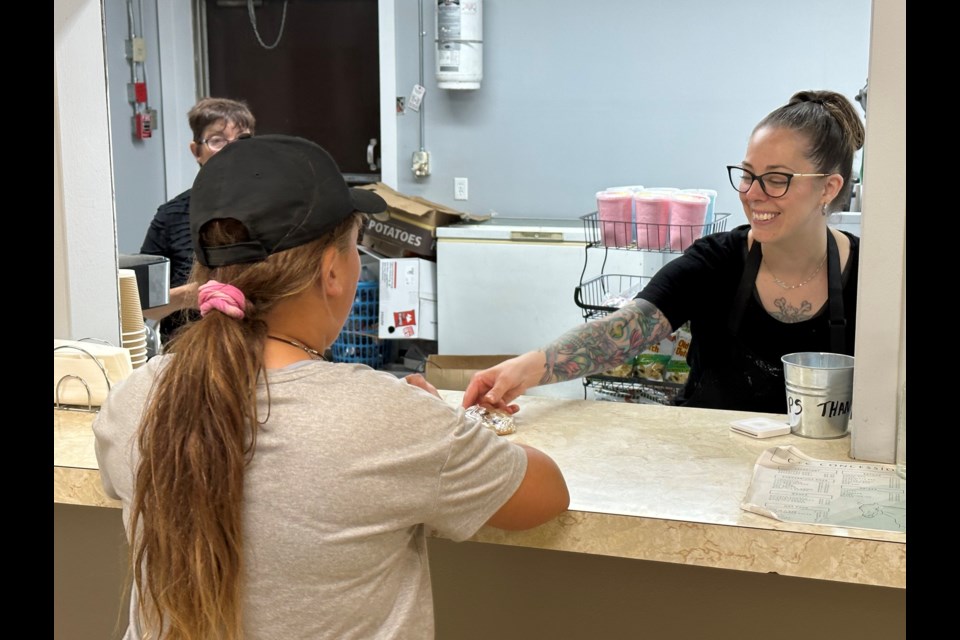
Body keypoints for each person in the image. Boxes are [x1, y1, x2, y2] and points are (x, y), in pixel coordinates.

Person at [93, 135, 569, 640]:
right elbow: (546, 494)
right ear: (333, 272)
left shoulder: (133, 399)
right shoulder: (386, 418)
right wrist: (439, 428)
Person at [463, 90, 865, 415]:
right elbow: (618, 332)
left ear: (828, 188)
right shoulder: (715, 263)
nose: (752, 193)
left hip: (817, 472)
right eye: (746, 175)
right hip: (706, 458)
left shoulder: (871, 277)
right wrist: (523, 369)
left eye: (776, 179)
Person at [139, 97, 256, 344]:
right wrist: (189, 295)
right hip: (185, 353)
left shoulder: (272, 207)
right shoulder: (171, 216)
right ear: (196, 151)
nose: (231, 149)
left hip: (258, 349)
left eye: (242, 140)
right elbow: (142, 307)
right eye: (217, 140)